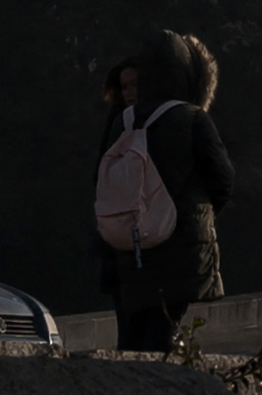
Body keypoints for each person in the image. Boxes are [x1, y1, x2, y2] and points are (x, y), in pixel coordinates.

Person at [92, 34, 236, 352]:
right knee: (163, 332)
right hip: (181, 246)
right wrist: (199, 214)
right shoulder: (191, 118)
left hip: (132, 247)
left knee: (132, 339)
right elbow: (223, 178)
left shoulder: (123, 121)